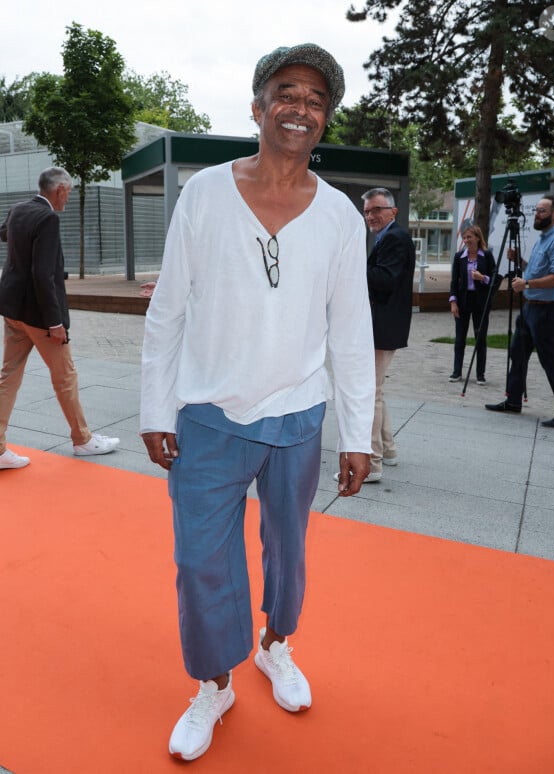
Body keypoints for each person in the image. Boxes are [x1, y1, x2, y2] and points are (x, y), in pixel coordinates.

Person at [140, 44, 375, 762]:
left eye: (314, 99)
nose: (299, 107)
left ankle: (276, 645)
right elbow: (168, 310)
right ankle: (214, 684)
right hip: (207, 416)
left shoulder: (339, 216)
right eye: (286, 92)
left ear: (324, 119)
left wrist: (355, 432)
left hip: (298, 418)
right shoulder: (205, 194)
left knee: (288, 552)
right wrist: (156, 408)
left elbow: (352, 331)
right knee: (201, 561)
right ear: (257, 105)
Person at [0, 167, 120, 469]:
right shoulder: (48, 218)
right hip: (39, 316)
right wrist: (55, 322)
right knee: (65, 377)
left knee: (8, 377)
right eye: (69, 192)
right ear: (60, 190)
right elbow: (43, 274)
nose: (68, 197)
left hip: (12, 310)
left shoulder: (18, 209)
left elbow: (4, 233)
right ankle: (82, 440)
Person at [333, 187, 415, 483]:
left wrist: (348, 266)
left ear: (393, 211)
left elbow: (385, 279)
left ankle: (374, 463)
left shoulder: (394, 238)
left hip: (382, 328)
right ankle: (389, 451)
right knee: (376, 391)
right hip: (382, 327)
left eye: (377, 209)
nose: (371, 216)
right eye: (367, 211)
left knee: (370, 395)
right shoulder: (389, 237)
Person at [485, 194, 554, 428]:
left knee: (551, 361)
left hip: (548, 311)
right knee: (517, 353)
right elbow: (536, 271)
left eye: (542, 211)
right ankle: (513, 401)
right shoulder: (543, 238)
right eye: (536, 210)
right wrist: (521, 262)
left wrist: (525, 284)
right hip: (530, 309)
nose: (537, 214)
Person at [448, 224, 496, 385]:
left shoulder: (487, 256)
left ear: (477, 237)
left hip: (480, 301)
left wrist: (482, 278)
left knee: (480, 338)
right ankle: (456, 372)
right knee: (460, 338)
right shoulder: (459, 256)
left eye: (469, 237)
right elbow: (454, 281)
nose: (466, 240)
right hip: (463, 301)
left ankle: (480, 374)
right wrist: (453, 301)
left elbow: (495, 279)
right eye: (464, 237)